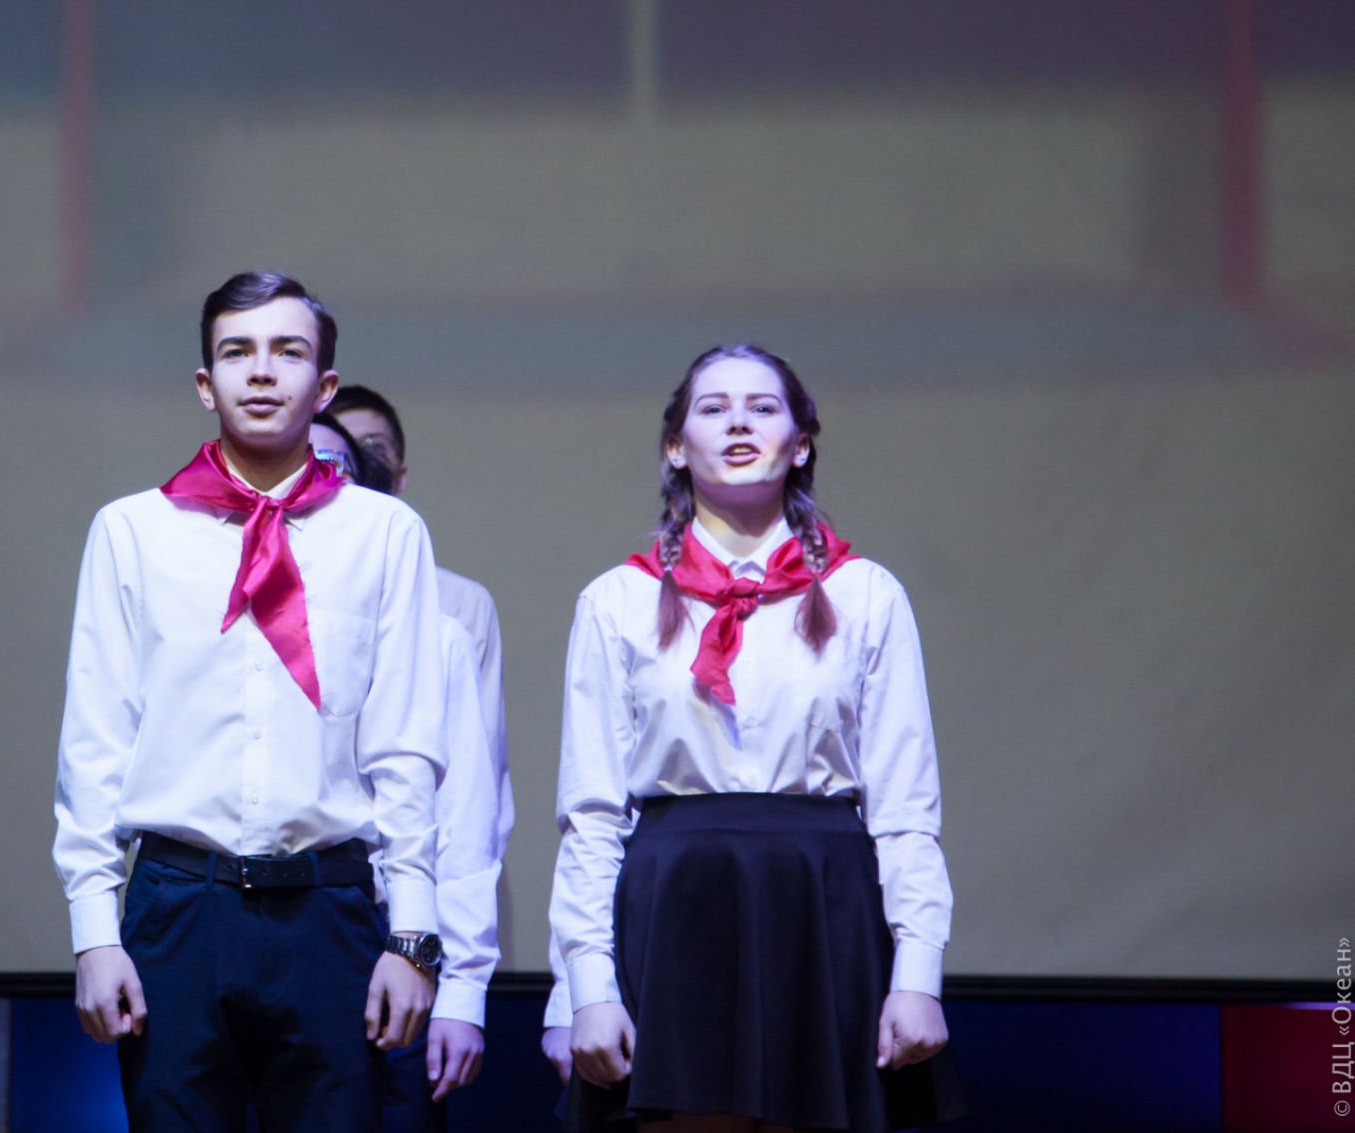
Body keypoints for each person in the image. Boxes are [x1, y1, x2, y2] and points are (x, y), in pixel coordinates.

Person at [53, 272, 448, 1133]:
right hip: (178, 906)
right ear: (206, 383)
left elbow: (406, 745)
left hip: (330, 907)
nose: (262, 371)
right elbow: (96, 739)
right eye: (237, 352)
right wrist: (94, 930)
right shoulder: (134, 530)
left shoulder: (385, 534)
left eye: (288, 352)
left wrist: (413, 933)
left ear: (325, 385)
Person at [549, 344, 965, 1132]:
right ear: (677, 446)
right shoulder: (618, 600)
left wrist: (918, 971)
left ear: (800, 443)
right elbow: (591, 813)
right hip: (677, 906)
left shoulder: (864, 594)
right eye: (713, 408)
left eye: (763, 407)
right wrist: (589, 984)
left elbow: (906, 805)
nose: (739, 422)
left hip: (821, 904)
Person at [328, 385, 514, 1126]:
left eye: (369, 452)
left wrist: (461, 981)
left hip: (402, 915)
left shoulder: (449, 618)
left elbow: (471, 795)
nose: (350, 468)